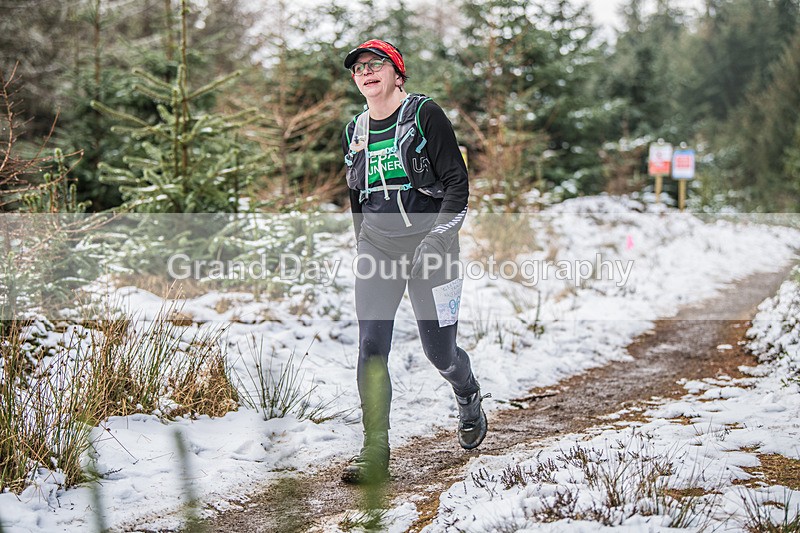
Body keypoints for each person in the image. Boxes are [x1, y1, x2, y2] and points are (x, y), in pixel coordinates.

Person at [340, 39, 487, 484]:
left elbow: (457, 186)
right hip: (380, 251)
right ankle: (374, 450)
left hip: (432, 248)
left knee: (439, 352)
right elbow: (356, 197)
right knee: (370, 348)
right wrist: (363, 247)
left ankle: (467, 391)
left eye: (376, 64)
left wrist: (440, 239)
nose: (366, 72)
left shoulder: (425, 115)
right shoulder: (355, 130)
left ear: (396, 73)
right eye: (359, 68)